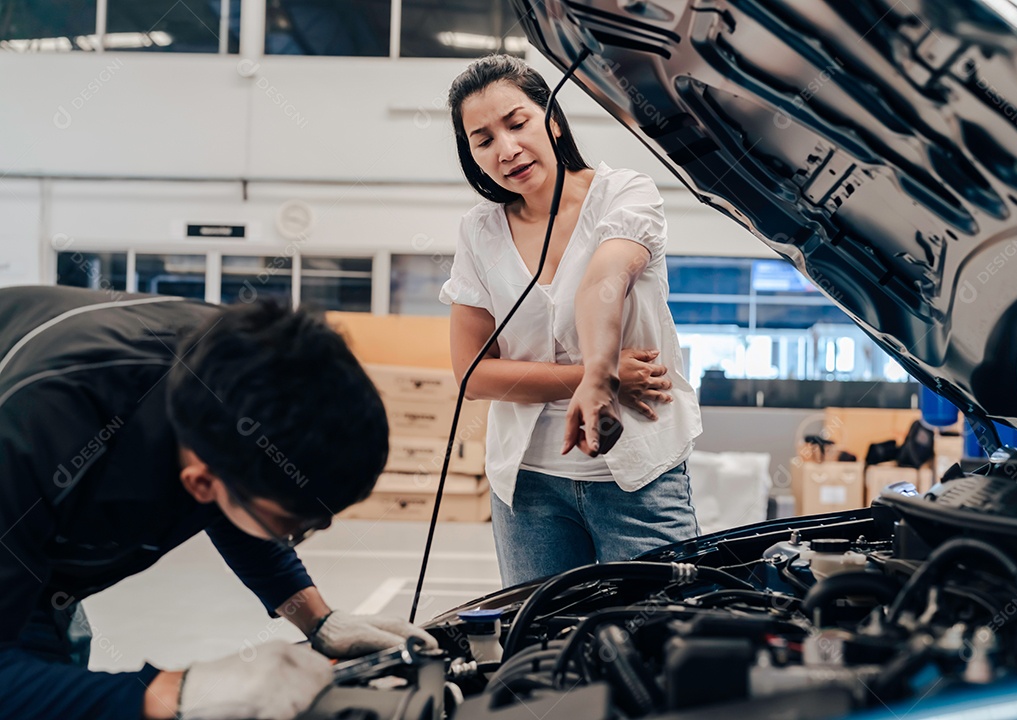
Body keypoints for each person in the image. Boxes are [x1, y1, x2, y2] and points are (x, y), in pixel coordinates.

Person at [0, 285, 436, 720]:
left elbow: (241, 496)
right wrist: (177, 692)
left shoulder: (244, 365)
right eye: (293, 524)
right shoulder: (35, 432)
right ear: (200, 482)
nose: (297, 534)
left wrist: (319, 621)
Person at [441, 55, 703, 587]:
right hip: (529, 489)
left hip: (639, 477)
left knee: (661, 640)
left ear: (552, 120)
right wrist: (596, 378)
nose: (507, 149)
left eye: (517, 123)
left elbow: (603, 282)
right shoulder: (479, 231)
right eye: (483, 139)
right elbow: (473, 374)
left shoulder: (624, 193)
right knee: (546, 651)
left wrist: (601, 372)